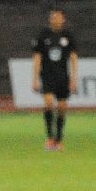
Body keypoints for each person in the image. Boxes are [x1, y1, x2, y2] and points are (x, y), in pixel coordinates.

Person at [31, 8, 78, 151]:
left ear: (63, 19)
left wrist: (74, 78)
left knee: (63, 107)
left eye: (58, 17)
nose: (55, 19)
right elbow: (37, 57)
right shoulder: (43, 35)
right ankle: (50, 138)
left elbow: (74, 58)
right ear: (50, 19)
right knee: (49, 103)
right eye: (53, 17)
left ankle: (59, 138)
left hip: (63, 77)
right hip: (47, 76)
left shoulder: (68, 36)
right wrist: (35, 78)